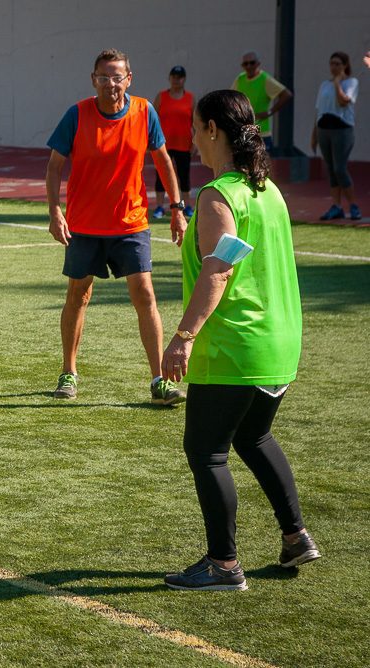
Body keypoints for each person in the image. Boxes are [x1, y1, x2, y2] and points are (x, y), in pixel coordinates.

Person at [161, 89, 320, 591]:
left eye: (195, 129)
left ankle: (224, 564)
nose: (192, 140)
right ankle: (295, 537)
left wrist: (183, 336)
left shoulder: (218, 195)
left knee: (207, 451)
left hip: (236, 345)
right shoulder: (267, 189)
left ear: (212, 130)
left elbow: (218, 272)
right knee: (253, 436)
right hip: (279, 341)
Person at [45, 49, 187, 405]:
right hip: (85, 225)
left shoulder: (144, 111)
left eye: (117, 76)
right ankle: (68, 371)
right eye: (104, 77)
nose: (111, 83)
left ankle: (159, 380)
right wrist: (54, 212)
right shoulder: (76, 115)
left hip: (131, 223)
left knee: (146, 295)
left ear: (129, 79)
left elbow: (164, 161)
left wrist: (176, 208)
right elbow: (54, 165)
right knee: (78, 296)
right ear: (94, 80)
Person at [311, 52, 360, 221]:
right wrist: (314, 134)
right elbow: (319, 110)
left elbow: (343, 101)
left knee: (340, 168)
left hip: (342, 130)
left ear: (345, 65)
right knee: (331, 170)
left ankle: (353, 205)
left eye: (338, 64)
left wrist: (338, 82)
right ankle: (336, 205)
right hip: (324, 129)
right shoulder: (324, 84)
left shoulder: (351, 82)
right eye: (332, 63)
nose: (334, 67)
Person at [152, 66, 194, 220]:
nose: (177, 80)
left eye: (180, 77)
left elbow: (194, 122)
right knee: (161, 176)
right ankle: (159, 207)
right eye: (174, 76)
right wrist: (152, 139)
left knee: (184, 176)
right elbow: (152, 119)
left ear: (184, 79)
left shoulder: (190, 97)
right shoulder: (162, 96)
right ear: (170, 78)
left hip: (184, 144)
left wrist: (195, 142)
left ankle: (187, 205)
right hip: (163, 144)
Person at [232, 51, 292, 151]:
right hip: (245, 130)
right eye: (245, 64)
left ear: (258, 64)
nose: (249, 66)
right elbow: (231, 98)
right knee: (246, 164)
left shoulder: (264, 79)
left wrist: (270, 111)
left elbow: (287, 94)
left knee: (261, 165)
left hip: (261, 131)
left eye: (252, 63)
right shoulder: (240, 79)